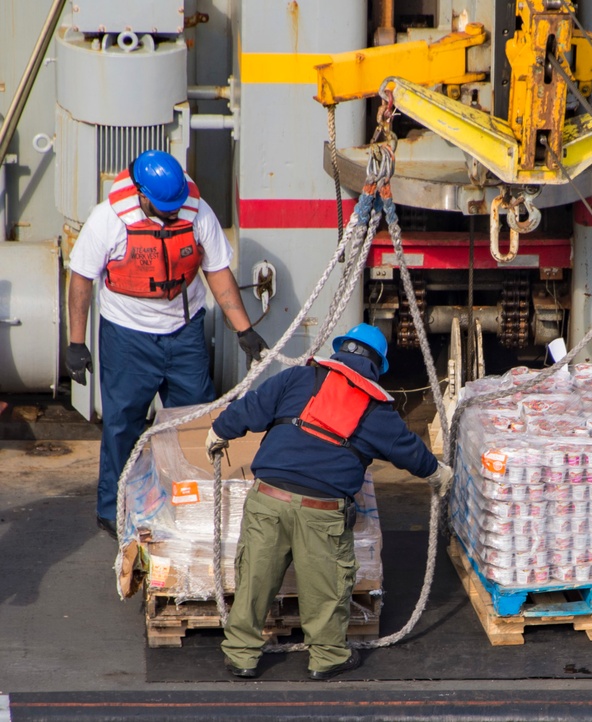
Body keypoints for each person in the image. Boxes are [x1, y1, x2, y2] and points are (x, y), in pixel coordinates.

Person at [205, 323, 452, 680]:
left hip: (268, 499)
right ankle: (327, 657)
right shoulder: (377, 408)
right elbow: (410, 452)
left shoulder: (297, 378)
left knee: (254, 579)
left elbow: (252, 407)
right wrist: (437, 474)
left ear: (340, 351)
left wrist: (220, 431)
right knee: (326, 587)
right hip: (321, 512)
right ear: (377, 366)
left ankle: (242, 654)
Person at [67, 150, 268, 539]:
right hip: (127, 337)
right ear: (141, 194)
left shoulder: (197, 212)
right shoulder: (108, 219)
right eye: (164, 209)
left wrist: (244, 329)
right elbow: (80, 280)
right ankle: (113, 508)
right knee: (122, 425)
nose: (173, 215)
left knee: (194, 421)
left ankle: (195, 501)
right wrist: (76, 342)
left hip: (184, 333)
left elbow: (218, 272)